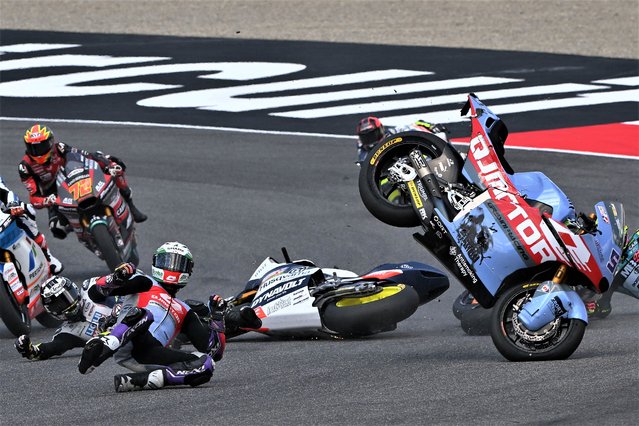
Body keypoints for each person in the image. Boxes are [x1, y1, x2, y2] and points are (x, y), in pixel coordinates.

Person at [75, 242, 261, 392]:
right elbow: (96, 293)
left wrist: (217, 318)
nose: (172, 268)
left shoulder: (185, 310)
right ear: (156, 263)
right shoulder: (146, 281)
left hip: (148, 354)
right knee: (142, 314)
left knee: (206, 364)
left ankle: (151, 379)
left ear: (188, 271)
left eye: (179, 264)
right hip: (128, 338)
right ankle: (105, 346)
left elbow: (214, 351)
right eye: (167, 261)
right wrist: (116, 278)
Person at [18, 124, 147, 241]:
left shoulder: (60, 148)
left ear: (51, 142)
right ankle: (83, 232)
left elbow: (85, 155)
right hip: (54, 195)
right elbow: (34, 197)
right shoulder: (25, 167)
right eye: (33, 148)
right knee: (57, 229)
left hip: (73, 179)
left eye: (41, 146)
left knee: (115, 164)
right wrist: (47, 200)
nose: (38, 151)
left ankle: (130, 204)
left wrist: (108, 165)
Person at [14, 275, 119, 361]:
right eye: (59, 304)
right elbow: (51, 348)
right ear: (51, 311)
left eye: (68, 295)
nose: (68, 303)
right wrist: (30, 350)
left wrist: (119, 307)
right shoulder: (68, 332)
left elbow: (119, 282)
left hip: (131, 317)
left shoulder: (89, 289)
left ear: (74, 288)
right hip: (120, 345)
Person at [0, 176, 63, 274]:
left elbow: (6, 193)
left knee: (28, 211)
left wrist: (13, 205)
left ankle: (47, 256)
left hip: (4, 211)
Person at [355, 116, 450, 165]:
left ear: (381, 129)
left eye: (373, 134)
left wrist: (431, 126)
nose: (370, 139)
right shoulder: (362, 150)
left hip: (409, 158)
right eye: (366, 137)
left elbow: (414, 124)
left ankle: (451, 158)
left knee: (440, 137)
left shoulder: (391, 133)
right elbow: (365, 172)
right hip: (389, 174)